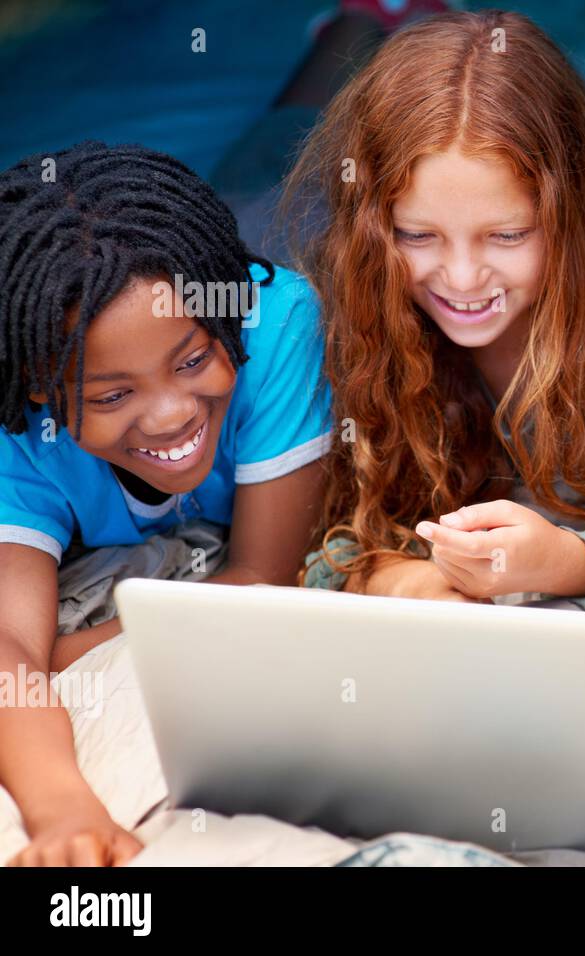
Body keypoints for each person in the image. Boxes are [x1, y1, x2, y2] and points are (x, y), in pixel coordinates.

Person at [0, 142, 332, 866]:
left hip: (264, 222)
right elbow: (7, 651)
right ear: (39, 392)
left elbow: (260, 579)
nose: (171, 415)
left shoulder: (276, 324)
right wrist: (62, 812)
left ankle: (350, 29)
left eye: (192, 361)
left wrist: (44, 654)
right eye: (113, 395)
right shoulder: (20, 430)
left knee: (281, 144)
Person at [283, 11, 585, 612]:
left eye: (508, 236)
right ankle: (356, 21)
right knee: (277, 132)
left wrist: (569, 562)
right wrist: (409, 582)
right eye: (417, 235)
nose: (463, 279)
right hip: (262, 198)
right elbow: (312, 546)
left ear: (574, 215)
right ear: (370, 230)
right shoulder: (338, 319)